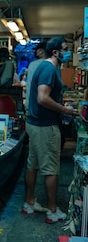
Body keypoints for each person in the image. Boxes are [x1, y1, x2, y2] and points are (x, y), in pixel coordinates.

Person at [22, 36, 78, 222]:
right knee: (51, 168)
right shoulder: (49, 69)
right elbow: (42, 98)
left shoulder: (46, 67)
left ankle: (29, 203)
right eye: (65, 49)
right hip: (45, 126)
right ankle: (52, 211)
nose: (67, 52)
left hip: (35, 123)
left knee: (33, 164)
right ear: (55, 52)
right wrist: (65, 109)